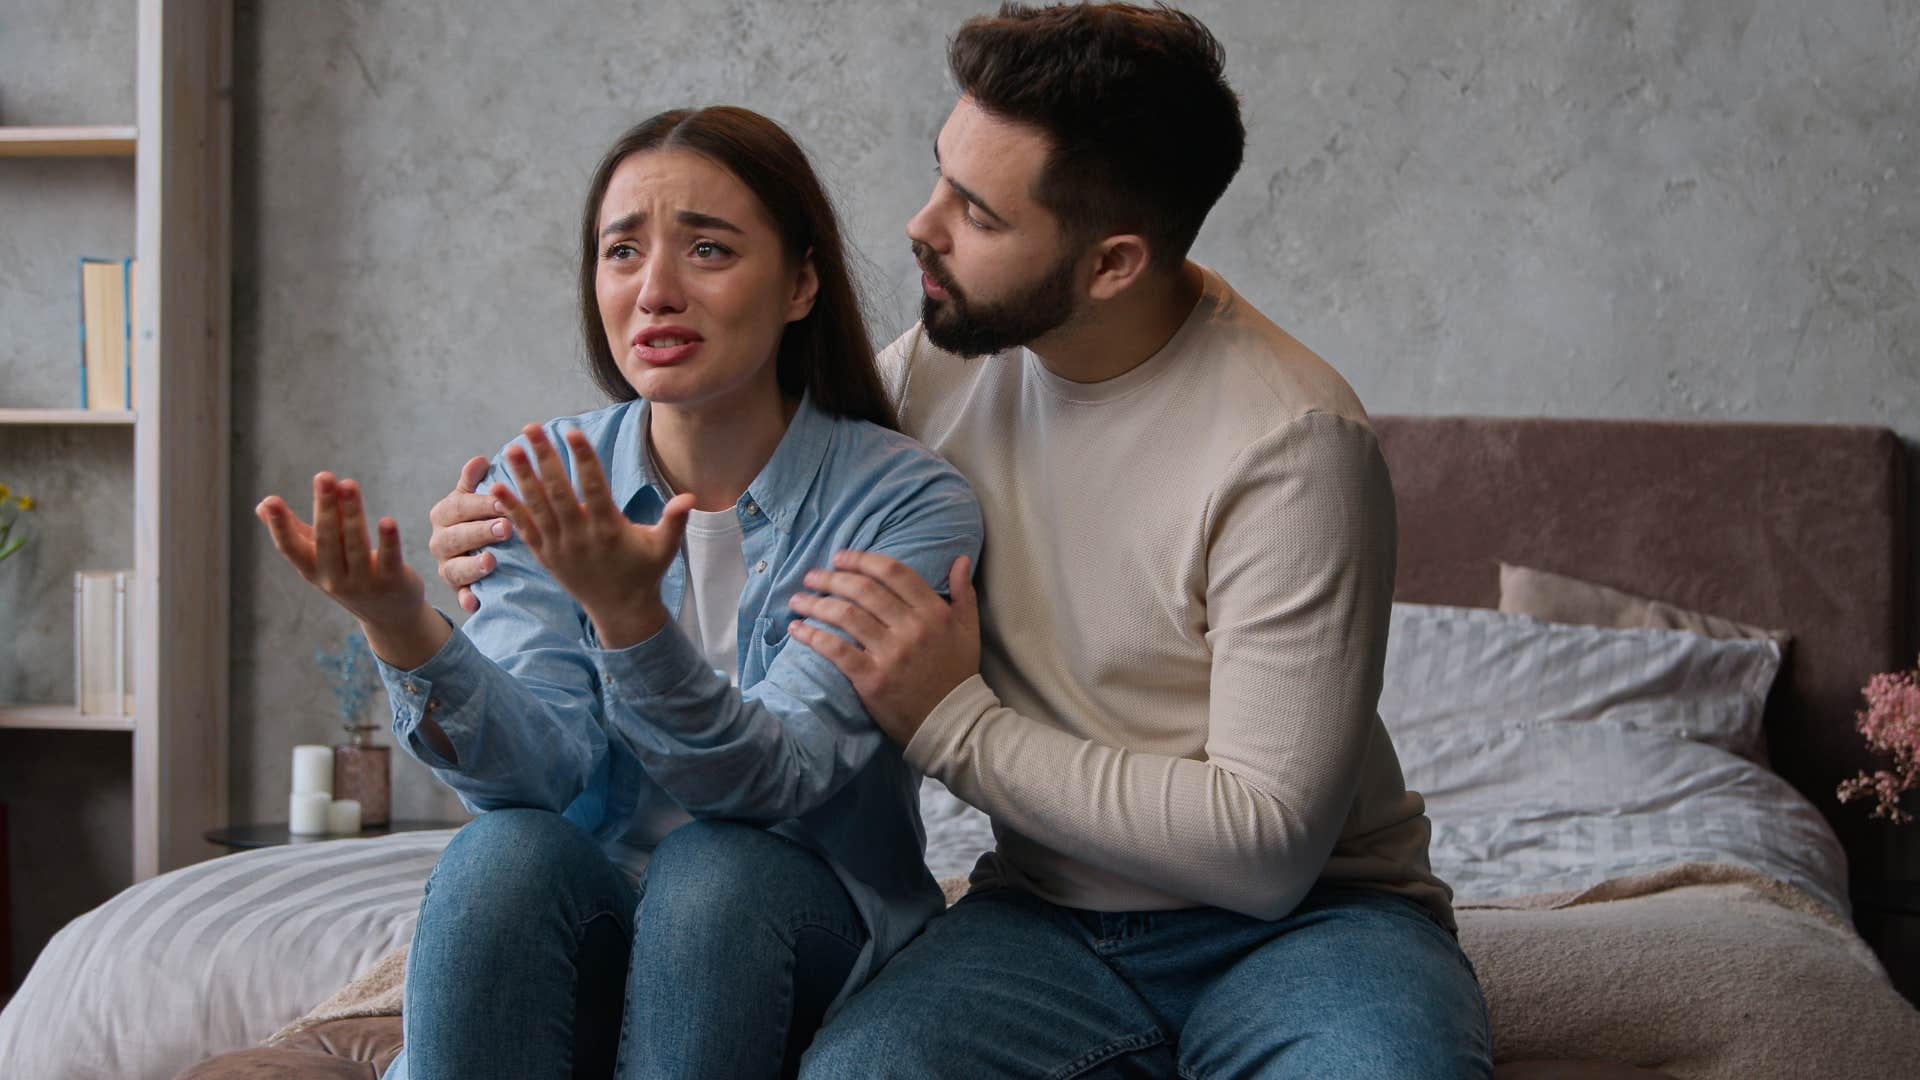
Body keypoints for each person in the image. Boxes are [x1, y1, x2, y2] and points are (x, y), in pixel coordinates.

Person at [432, 5, 1491, 1077]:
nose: (918, 226)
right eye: (940, 174)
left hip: (1315, 925)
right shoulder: (937, 371)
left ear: (1111, 263)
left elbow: (1265, 850)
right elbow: (730, 424)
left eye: (976, 213)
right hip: (1041, 921)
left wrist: (953, 723)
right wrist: (496, 528)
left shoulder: (1291, 444)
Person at [255, 105, 981, 1080]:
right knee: (499, 856)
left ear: (802, 282)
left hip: (795, 924)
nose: (654, 291)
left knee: (713, 872)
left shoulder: (902, 504)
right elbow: (534, 778)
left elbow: (775, 782)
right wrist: (404, 628)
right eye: (621, 251)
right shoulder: (548, 472)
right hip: (597, 919)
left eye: (709, 250)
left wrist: (631, 619)